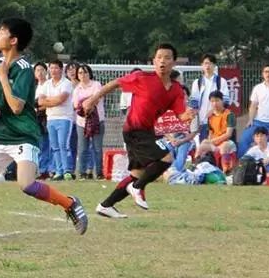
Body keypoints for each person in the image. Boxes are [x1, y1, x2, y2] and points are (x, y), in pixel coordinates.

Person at [0, 18, 87, 243]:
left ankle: (70, 204)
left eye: (1, 32)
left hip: (23, 135)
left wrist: (3, 77)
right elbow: (0, 102)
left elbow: (17, 106)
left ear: (13, 40)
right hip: (0, 136)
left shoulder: (23, 68)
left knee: (27, 185)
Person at [82, 44, 196, 218]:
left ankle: (105, 205)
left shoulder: (176, 90)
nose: (162, 61)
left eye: (166, 57)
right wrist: (93, 99)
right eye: (159, 57)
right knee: (166, 158)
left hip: (148, 131)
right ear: (154, 61)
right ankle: (137, 188)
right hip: (134, 130)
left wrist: (187, 115)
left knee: (137, 175)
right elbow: (115, 83)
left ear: (173, 62)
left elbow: (180, 114)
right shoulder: (142, 77)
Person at [38, 59, 74, 180]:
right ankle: (58, 171)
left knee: (63, 144)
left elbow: (61, 99)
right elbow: (40, 101)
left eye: (56, 68)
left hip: (64, 118)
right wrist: (52, 101)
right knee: (54, 146)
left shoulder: (66, 83)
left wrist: (49, 101)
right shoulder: (47, 84)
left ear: (61, 69)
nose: (53, 71)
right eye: (51, 68)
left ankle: (67, 170)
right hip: (51, 118)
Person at [73, 64, 105, 180]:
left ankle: (99, 172)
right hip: (82, 122)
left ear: (89, 73)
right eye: (80, 73)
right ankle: (82, 172)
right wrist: (87, 102)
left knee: (97, 148)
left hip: (97, 120)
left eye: (85, 72)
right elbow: (77, 105)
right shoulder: (77, 89)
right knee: (82, 148)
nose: (83, 75)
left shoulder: (96, 85)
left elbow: (97, 98)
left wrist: (86, 102)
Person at [194, 91, 237, 173]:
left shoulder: (229, 114)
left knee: (224, 146)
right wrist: (209, 142)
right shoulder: (210, 116)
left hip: (228, 142)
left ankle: (226, 171)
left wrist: (211, 141)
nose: (214, 103)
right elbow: (210, 133)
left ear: (222, 101)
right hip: (215, 143)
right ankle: (196, 167)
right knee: (201, 146)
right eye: (212, 101)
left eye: (217, 100)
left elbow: (228, 134)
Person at [190, 54, 231, 140]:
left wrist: (213, 111)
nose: (207, 66)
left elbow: (226, 101)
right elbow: (194, 103)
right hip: (202, 121)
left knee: (217, 147)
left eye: (210, 63)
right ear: (202, 65)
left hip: (218, 121)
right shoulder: (197, 82)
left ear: (214, 65)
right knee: (204, 147)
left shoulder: (221, 81)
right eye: (205, 63)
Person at [33, 62, 52, 179]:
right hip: (36, 119)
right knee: (39, 145)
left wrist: (39, 106)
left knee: (47, 144)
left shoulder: (49, 85)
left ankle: (46, 169)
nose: (40, 73)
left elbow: (49, 102)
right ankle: (40, 168)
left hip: (46, 117)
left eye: (42, 70)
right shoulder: (35, 87)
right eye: (37, 70)